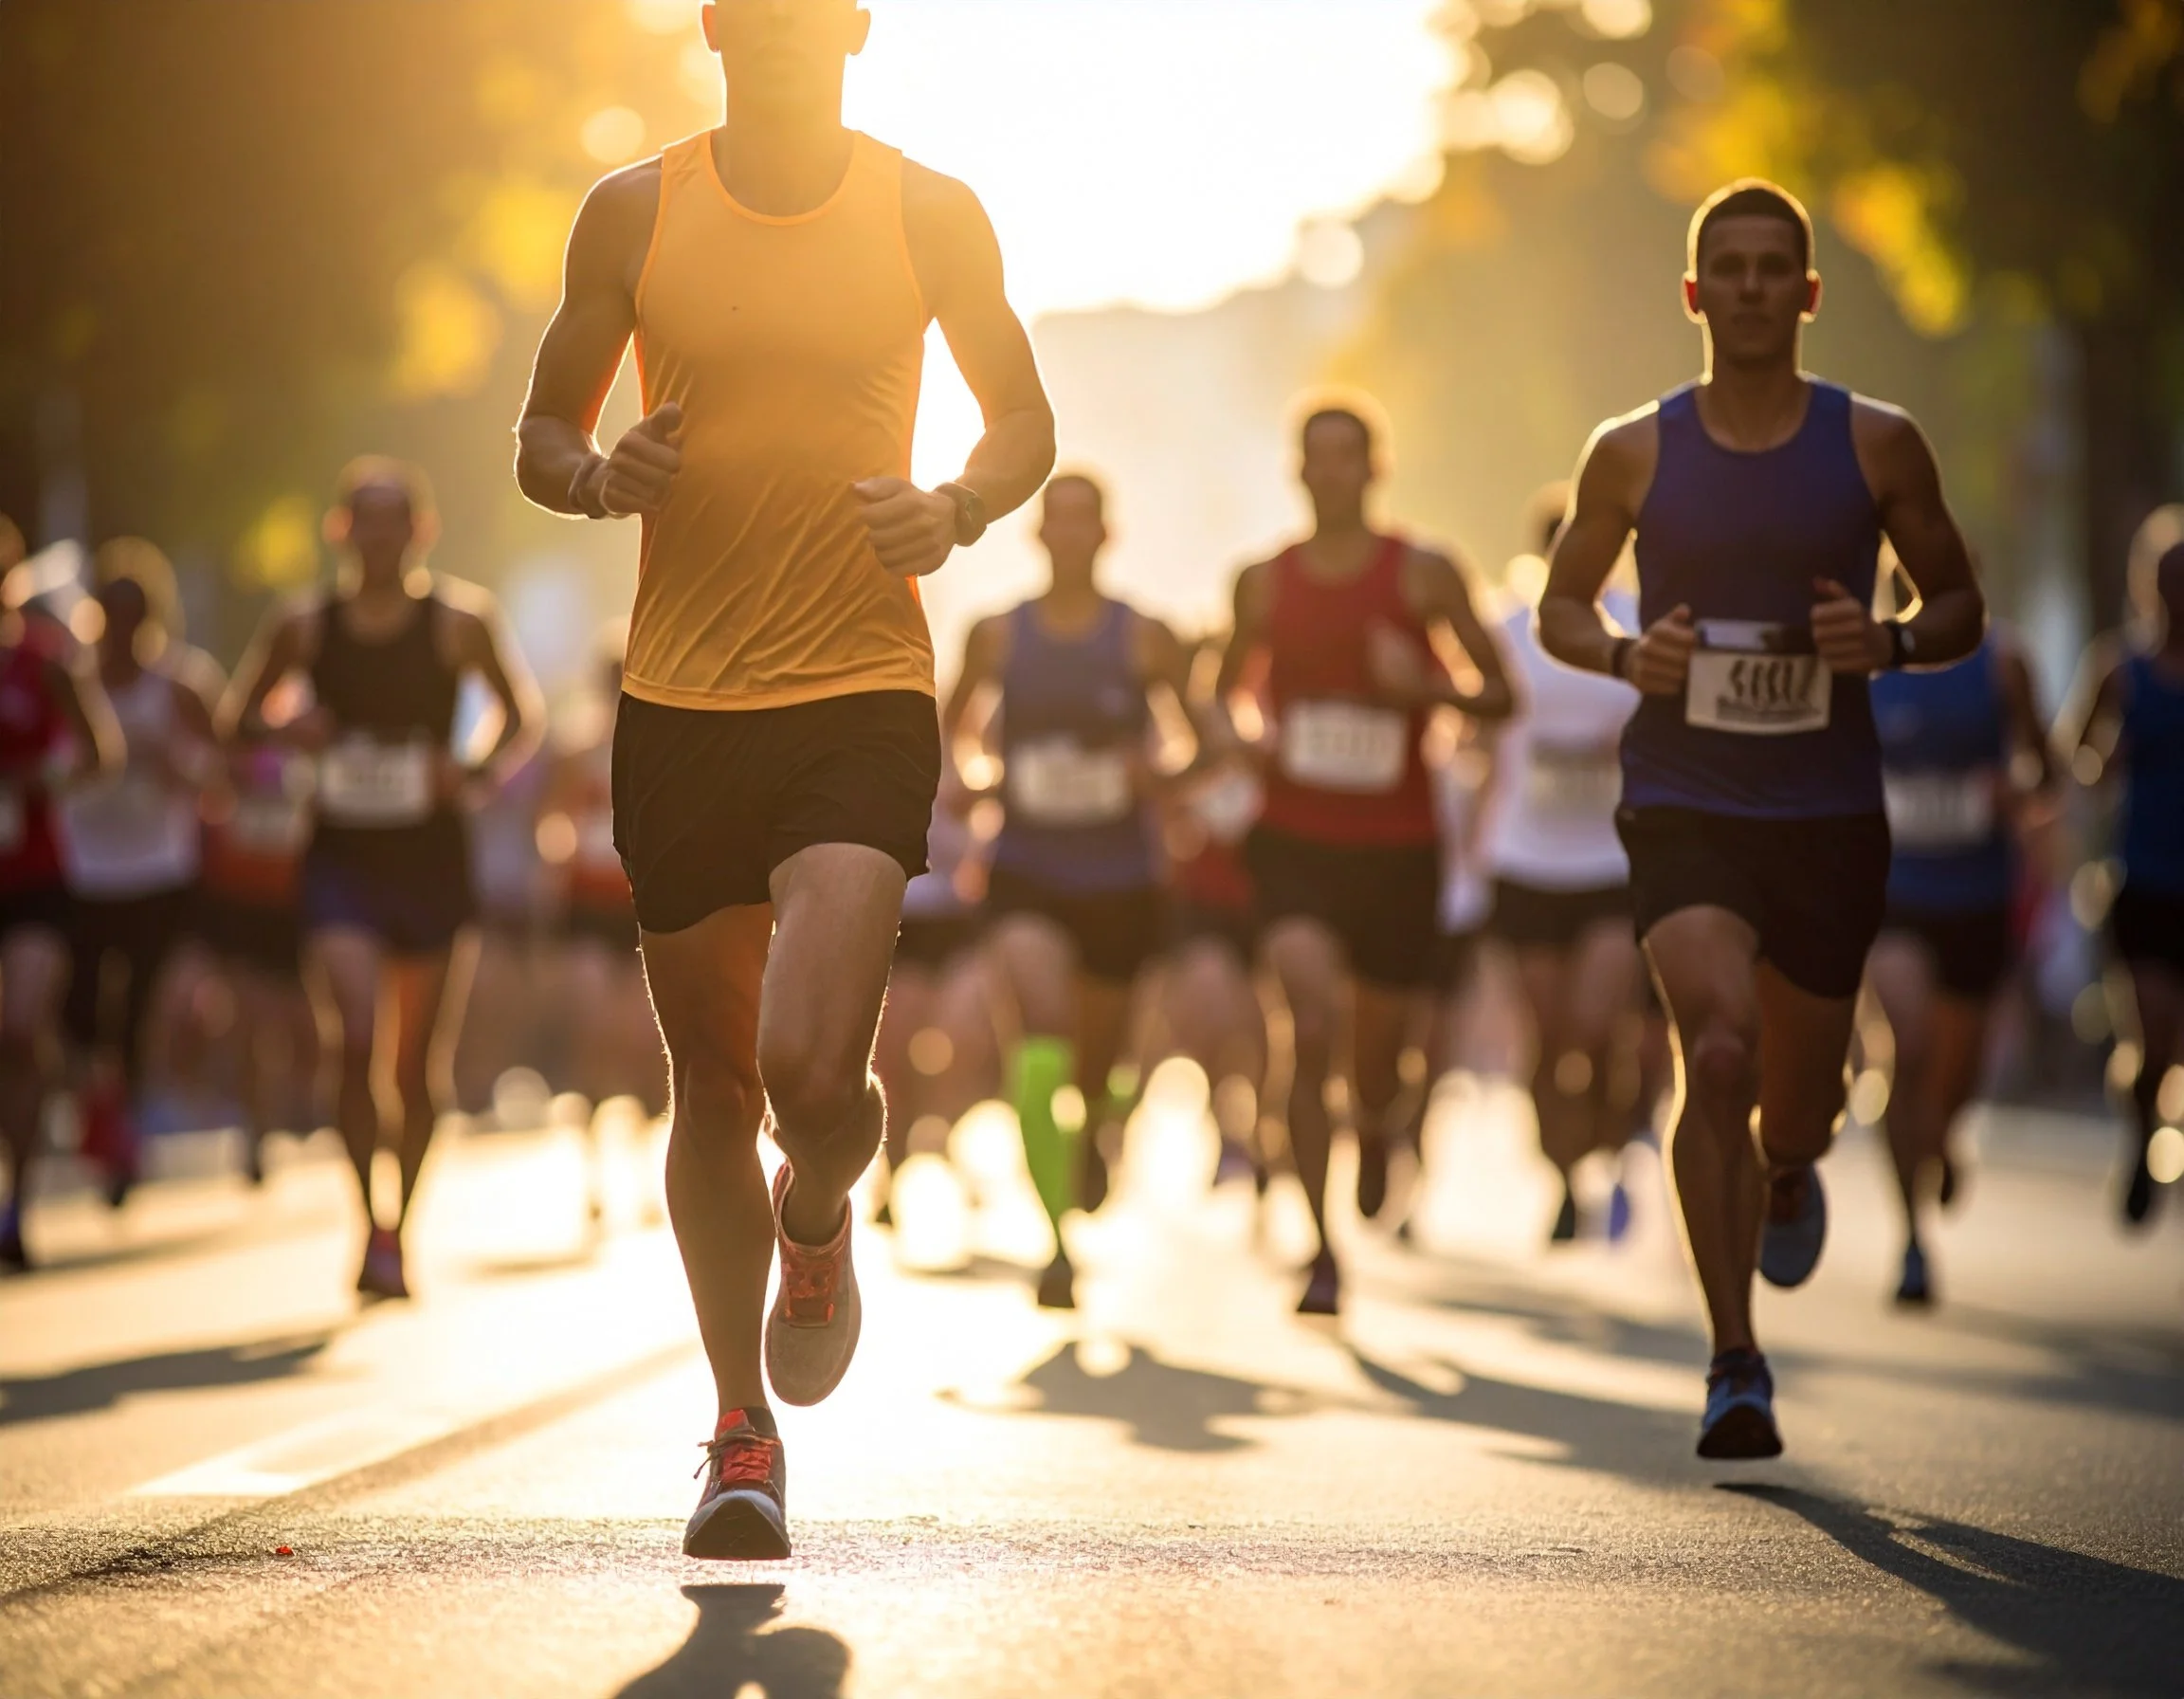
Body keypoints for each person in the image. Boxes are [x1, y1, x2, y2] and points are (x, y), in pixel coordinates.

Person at [514, 0, 1053, 1562]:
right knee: (715, 1082)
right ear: (716, 24)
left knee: (815, 1080)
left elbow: (1021, 417)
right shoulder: (634, 210)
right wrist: (595, 472)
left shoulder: (925, 210)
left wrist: (950, 507)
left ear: (857, 29)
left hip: (859, 687)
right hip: (677, 702)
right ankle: (739, 1433)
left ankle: (815, 1216)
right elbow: (543, 431)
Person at [1538, 179, 1986, 1459]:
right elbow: (1559, 610)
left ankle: (1790, 1168)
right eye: (1722, 267)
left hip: (1829, 812)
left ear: (1806, 292)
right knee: (1714, 1056)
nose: (1744, 286)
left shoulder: (1877, 445)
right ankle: (1736, 1359)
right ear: (1692, 295)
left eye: (1767, 267)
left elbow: (1963, 603)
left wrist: (1890, 641)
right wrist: (1630, 659)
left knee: (1797, 1105)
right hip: (1684, 797)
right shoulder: (1632, 449)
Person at [1213, 399, 1515, 1316]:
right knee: (1306, 1024)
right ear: (1298, 471)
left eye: (1349, 457)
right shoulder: (1262, 584)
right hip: (1297, 842)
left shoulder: (1422, 575)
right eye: (1316, 457)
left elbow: (1501, 695)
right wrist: (1248, 742)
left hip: (1397, 849)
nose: (1332, 472)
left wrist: (1422, 685)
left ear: (1374, 469)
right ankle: (1322, 1247)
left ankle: (1381, 1126)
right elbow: (1219, 695)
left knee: (1376, 1064)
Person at [225, 459, 542, 1303]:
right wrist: (289, 730)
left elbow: (522, 714)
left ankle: (406, 1224)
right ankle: (370, 1221)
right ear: (340, 531)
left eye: (392, 521)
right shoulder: (305, 627)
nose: (375, 538)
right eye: (361, 521)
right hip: (342, 858)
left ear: (419, 531)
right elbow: (239, 716)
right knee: (356, 1039)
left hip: (431, 858)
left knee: (417, 1071)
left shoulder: (458, 622)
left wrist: (468, 774)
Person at [941, 473, 1192, 1309]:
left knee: (1098, 1064)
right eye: (1060, 522)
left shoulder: (1146, 638)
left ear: (1106, 536)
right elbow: (948, 739)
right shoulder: (998, 637)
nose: (1073, 536)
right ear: (1040, 535)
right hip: (1026, 869)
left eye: (1088, 522)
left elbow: (1211, 744)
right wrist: (972, 786)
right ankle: (1053, 1243)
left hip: (1120, 879)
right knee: (1040, 1031)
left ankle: (1097, 1130)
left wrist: (1153, 773)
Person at [1866, 613, 2057, 1302]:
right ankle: (1912, 1236)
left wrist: (2017, 790)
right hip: (1892, 893)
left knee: (1956, 1072)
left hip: (1976, 896)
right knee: (1906, 1047)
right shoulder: (1860, 663)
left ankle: (1941, 1138)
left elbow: (2047, 766)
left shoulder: (2002, 664)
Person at [1484, 493, 1656, 1245]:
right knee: (1547, 1036)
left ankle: (1610, 1144)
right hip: (1524, 860)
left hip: (1613, 862)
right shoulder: (1508, 634)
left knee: (1595, 1025)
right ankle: (1561, 1176)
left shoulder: (1644, 627)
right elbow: (1478, 729)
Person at [57, 541, 224, 1203]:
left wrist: (176, 764)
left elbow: (226, 773)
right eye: (110, 612)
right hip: (84, 868)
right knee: (79, 1013)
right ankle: (100, 1106)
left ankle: (126, 1121)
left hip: (160, 869)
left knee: (142, 1007)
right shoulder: (68, 679)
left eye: (134, 615)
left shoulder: (180, 684)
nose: (122, 628)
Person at [2064, 530, 2184, 1228]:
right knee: (2155, 1032)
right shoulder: (2120, 669)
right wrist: (2108, 759)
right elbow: (2076, 755)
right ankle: (2144, 1131)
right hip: (2140, 881)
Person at [0, 583, 118, 1270]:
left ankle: (20, 1198)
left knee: (20, 1030)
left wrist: (43, 776)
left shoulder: (43, 662)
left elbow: (102, 753)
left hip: (36, 876)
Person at [194, 690, 319, 1185]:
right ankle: (255, 1130)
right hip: (241, 901)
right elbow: (206, 794)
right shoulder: (233, 750)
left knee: (305, 1026)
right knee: (248, 1024)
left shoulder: (312, 750)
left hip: (297, 905)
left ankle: (300, 1104)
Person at [872, 780, 997, 1226]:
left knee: (960, 1047)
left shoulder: (968, 752)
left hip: (958, 925)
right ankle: (894, 1168)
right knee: (894, 1052)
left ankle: (943, 1141)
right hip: (901, 924)